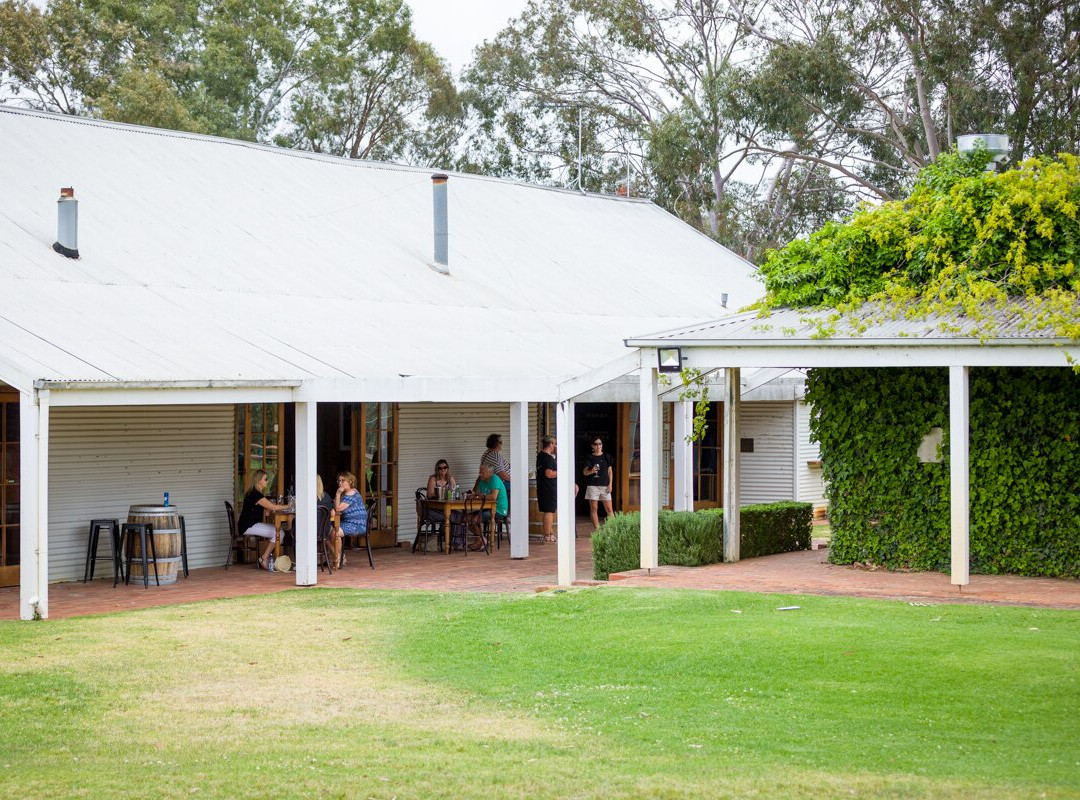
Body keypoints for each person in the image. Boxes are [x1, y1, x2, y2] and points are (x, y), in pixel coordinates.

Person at [237, 469, 290, 571]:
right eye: (265, 479)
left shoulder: (254, 493)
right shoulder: (255, 494)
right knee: (279, 533)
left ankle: (266, 558)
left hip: (249, 524)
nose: (267, 481)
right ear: (259, 480)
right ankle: (264, 558)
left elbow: (267, 511)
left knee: (279, 532)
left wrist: (268, 508)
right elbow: (273, 507)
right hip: (248, 525)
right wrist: (289, 506)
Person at [333, 471, 367, 568]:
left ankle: (339, 559)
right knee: (329, 532)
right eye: (339, 481)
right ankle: (339, 557)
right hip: (347, 522)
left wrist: (338, 494)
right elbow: (336, 507)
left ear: (350, 481)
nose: (340, 483)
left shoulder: (352, 493)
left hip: (357, 524)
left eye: (343, 481)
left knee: (335, 533)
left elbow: (338, 508)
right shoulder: (346, 494)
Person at [470, 463, 507, 550]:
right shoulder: (482, 481)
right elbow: (477, 494)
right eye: (479, 471)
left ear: (490, 473)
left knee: (475, 519)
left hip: (498, 510)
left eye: (482, 472)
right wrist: (474, 494)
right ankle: (482, 540)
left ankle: (481, 542)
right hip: (486, 508)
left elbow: (493, 497)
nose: (480, 474)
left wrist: (479, 496)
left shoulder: (494, 479)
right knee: (465, 519)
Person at [582, 436, 614, 530]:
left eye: (600, 444)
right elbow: (584, 472)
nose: (598, 446)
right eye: (596, 444)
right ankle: (598, 530)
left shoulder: (606, 456)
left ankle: (612, 530)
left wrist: (610, 483)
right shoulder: (589, 457)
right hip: (593, 485)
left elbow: (610, 471)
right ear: (592, 446)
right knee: (594, 509)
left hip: (605, 485)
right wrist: (591, 471)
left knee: (609, 510)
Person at [535, 435, 558, 543]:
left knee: (550, 511)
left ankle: (551, 533)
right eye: (554, 444)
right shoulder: (548, 458)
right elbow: (548, 473)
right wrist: (561, 472)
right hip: (549, 488)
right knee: (549, 511)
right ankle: (547, 535)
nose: (555, 446)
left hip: (543, 487)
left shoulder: (540, 456)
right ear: (550, 444)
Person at [480, 433, 511, 508]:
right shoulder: (494, 455)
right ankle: (509, 513)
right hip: (501, 483)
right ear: (495, 443)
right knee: (517, 489)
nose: (502, 444)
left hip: (493, 482)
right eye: (500, 442)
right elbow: (501, 473)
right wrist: (515, 481)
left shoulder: (487, 453)